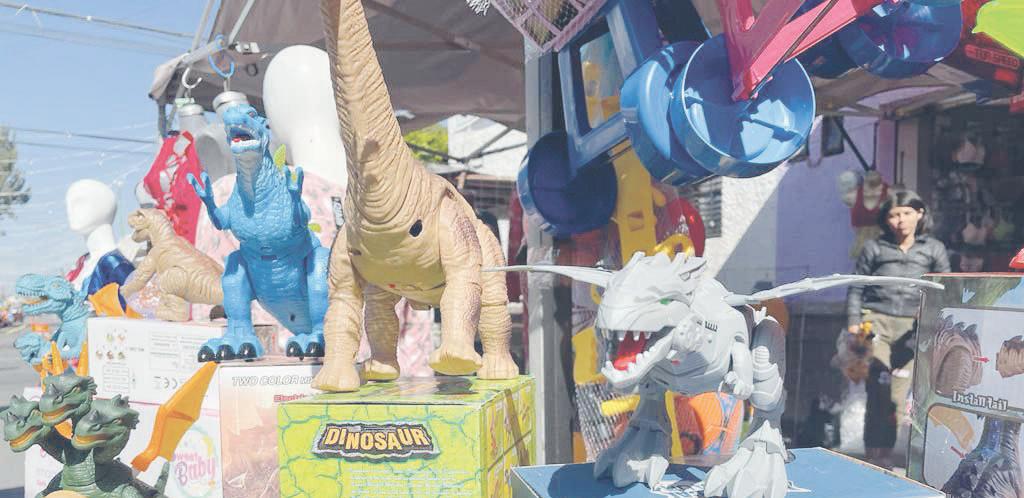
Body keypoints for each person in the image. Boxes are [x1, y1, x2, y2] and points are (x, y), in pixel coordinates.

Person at [845, 189, 949, 469]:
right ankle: (873, 450)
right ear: (886, 219)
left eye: (906, 213)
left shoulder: (934, 248)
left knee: (898, 393)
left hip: (913, 328)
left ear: (919, 214)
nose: (900, 220)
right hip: (876, 322)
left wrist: (932, 317)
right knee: (878, 386)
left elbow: (943, 288)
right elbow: (857, 286)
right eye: (893, 215)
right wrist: (853, 320)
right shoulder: (874, 248)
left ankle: (888, 452)